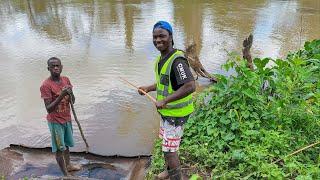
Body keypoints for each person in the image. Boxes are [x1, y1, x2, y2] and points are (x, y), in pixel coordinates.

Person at [138, 21, 195, 180]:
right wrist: (149, 88)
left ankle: (177, 177)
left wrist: (165, 101)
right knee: (166, 145)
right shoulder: (161, 59)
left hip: (176, 114)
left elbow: (190, 86)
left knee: (170, 151)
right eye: (155, 37)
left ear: (170, 37)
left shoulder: (177, 61)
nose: (158, 40)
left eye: (162, 36)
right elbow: (165, 82)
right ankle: (169, 171)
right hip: (167, 112)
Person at [40, 57, 81, 176]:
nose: (56, 68)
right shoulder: (46, 85)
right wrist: (61, 95)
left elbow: (72, 101)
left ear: (61, 67)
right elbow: (49, 109)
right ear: (49, 69)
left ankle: (68, 165)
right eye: (53, 66)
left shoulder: (66, 80)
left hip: (67, 119)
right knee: (59, 149)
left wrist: (70, 92)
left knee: (66, 144)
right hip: (55, 121)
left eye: (58, 66)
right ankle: (66, 175)